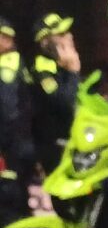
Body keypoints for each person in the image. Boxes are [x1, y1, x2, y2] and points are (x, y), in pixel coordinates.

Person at [27, 13, 80, 175]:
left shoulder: (60, 66)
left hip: (66, 142)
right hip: (49, 146)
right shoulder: (42, 68)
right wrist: (73, 72)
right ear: (46, 43)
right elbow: (65, 101)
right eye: (61, 34)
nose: (69, 36)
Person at [0, 17, 32, 226]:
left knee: (8, 198)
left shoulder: (8, 63)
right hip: (21, 142)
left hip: (12, 144)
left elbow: (8, 107)